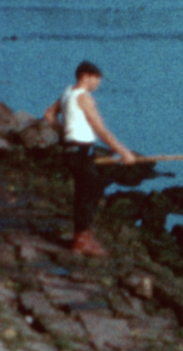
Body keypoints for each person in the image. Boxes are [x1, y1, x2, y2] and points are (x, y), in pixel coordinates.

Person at [43, 61, 136, 256]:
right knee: (88, 193)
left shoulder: (68, 93)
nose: (98, 84)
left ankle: (84, 236)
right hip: (80, 152)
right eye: (96, 80)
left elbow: (49, 115)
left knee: (90, 190)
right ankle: (81, 240)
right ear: (86, 76)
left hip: (74, 150)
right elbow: (100, 129)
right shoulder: (83, 98)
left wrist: (65, 133)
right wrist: (123, 151)